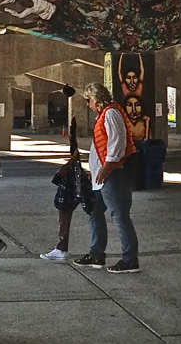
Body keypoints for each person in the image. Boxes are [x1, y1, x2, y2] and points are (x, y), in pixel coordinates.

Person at [60, 83, 139, 273]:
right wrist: (95, 170)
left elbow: (117, 143)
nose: (88, 104)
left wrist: (107, 167)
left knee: (119, 216)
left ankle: (130, 260)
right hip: (103, 175)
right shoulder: (103, 115)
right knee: (94, 211)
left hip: (115, 173)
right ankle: (96, 254)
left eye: (89, 100)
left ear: (96, 98)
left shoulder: (111, 113)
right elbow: (99, 148)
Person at [41, 117, 80, 261]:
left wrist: (68, 165)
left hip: (79, 179)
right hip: (79, 177)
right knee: (65, 213)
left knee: (64, 211)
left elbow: (78, 152)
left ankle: (62, 247)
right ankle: (61, 247)